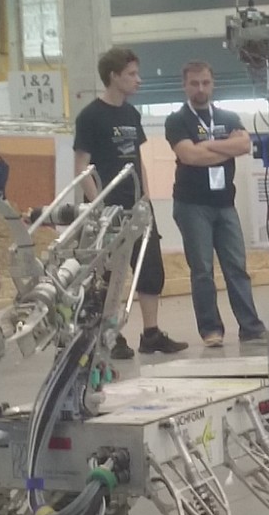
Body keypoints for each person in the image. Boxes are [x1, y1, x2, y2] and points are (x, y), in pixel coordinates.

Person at [73, 46, 188, 358]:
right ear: (113, 76)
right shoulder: (90, 116)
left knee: (150, 269)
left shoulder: (131, 114)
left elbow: (137, 159)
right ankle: (111, 334)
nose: (138, 80)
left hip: (137, 206)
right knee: (110, 274)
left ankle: (151, 333)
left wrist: (145, 198)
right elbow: (81, 166)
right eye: (131, 74)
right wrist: (99, 205)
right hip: (108, 210)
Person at [164, 60, 266, 348]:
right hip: (192, 205)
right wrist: (225, 148)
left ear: (213, 84)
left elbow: (244, 145)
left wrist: (207, 146)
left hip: (225, 203)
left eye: (205, 83)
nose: (201, 88)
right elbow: (189, 156)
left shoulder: (228, 117)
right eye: (194, 83)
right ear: (185, 85)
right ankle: (211, 329)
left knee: (237, 266)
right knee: (202, 271)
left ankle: (250, 327)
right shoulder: (177, 120)